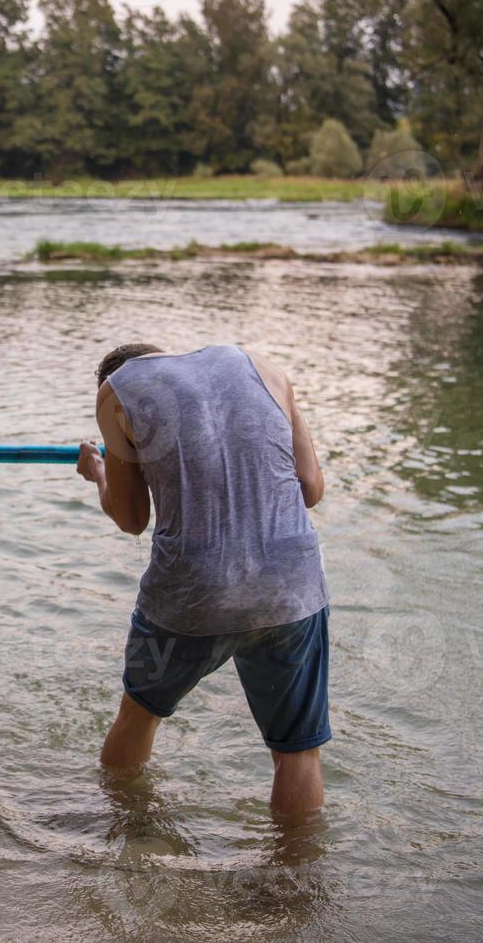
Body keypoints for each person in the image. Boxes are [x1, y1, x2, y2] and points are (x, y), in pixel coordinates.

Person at [76, 343, 329, 818]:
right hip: (292, 586)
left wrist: (100, 473)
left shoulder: (117, 392)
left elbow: (132, 518)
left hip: (191, 593)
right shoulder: (263, 366)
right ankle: (297, 878)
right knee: (298, 751)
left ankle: (123, 832)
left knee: (139, 714)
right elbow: (310, 489)